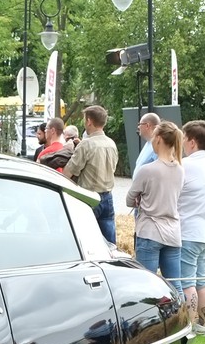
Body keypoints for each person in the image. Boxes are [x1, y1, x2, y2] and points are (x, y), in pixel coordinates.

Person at [126, 120, 184, 297]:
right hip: (173, 232)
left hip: (150, 230)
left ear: (158, 138)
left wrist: (139, 200)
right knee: (176, 287)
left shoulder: (147, 170)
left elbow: (129, 199)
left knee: (146, 286)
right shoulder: (180, 169)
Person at [177, 121, 205, 335]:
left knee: (187, 282)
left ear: (192, 142)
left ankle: (190, 325)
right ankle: (204, 324)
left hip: (189, 230)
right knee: (202, 280)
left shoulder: (187, 165)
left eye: (184, 139)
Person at [62, 103, 119, 243]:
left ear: (89, 121)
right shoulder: (111, 143)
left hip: (89, 197)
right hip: (108, 197)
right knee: (109, 243)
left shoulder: (86, 144)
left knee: (86, 241)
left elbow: (67, 173)